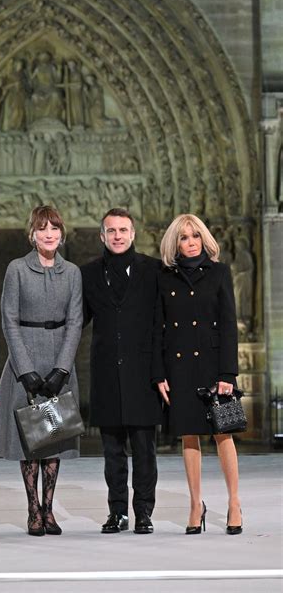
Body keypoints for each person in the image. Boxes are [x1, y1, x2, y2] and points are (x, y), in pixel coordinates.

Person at [0, 205, 82, 536]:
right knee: (30, 441)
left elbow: (75, 322)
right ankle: (32, 510)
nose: (49, 234)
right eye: (43, 228)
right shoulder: (17, 269)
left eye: (54, 228)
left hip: (59, 363)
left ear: (61, 233)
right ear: (32, 233)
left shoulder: (71, 272)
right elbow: (8, 319)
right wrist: (25, 369)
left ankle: (49, 510)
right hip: (24, 359)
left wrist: (62, 368)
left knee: (52, 440)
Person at [153, 214, 242, 535]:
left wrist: (228, 373)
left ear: (204, 239)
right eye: (183, 237)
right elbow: (158, 330)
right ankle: (195, 504)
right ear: (173, 243)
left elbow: (229, 326)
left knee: (224, 434)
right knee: (189, 436)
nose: (189, 243)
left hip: (215, 367)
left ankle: (234, 503)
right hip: (179, 368)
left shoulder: (219, 273)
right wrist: (159, 373)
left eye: (194, 236)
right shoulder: (164, 277)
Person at [81, 208, 162, 535]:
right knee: (112, 453)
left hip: (143, 376)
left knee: (145, 451)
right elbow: (77, 320)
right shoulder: (88, 274)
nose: (117, 235)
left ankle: (143, 512)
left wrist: (162, 372)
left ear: (133, 234)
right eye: (111, 230)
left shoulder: (153, 270)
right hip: (106, 376)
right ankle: (118, 513)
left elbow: (162, 326)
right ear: (102, 236)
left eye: (123, 230)